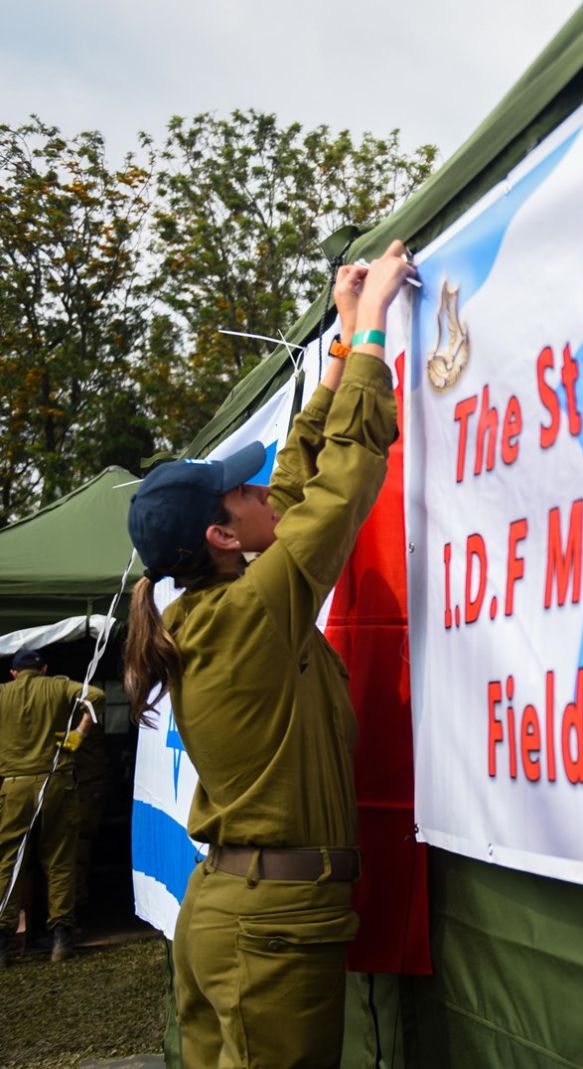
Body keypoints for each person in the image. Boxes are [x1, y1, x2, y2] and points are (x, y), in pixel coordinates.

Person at [124, 240, 415, 1067]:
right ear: (222, 537)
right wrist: (374, 327)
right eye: (241, 491)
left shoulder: (215, 604)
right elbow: (343, 481)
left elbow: (290, 485)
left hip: (232, 912)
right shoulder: (252, 609)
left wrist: (339, 346)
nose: (262, 491)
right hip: (270, 926)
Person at [0, 647, 101, 966]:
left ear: (13, 673)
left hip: (14, 785)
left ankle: (1, 941)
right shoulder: (59, 686)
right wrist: (75, 737)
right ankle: (61, 938)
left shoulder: (3, 693)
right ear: (43, 669)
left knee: (9, 861)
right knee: (59, 859)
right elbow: (96, 696)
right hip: (57, 781)